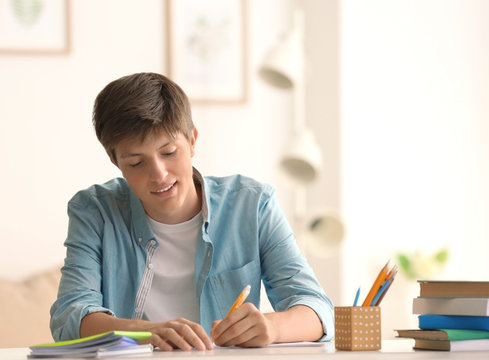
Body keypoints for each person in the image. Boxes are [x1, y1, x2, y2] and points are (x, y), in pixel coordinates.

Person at [50, 72, 334, 351]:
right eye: (136, 162)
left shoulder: (252, 205)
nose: (158, 174)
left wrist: (273, 327)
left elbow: (318, 310)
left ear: (192, 140)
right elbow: (70, 317)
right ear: (115, 161)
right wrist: (153, 332)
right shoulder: (94, 211)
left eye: (169, 152)